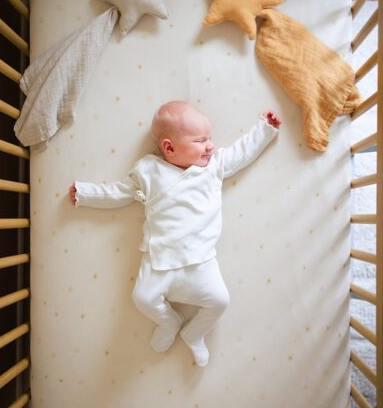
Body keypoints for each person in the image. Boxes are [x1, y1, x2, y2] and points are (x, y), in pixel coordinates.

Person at [69, 101, 281, 367]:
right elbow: (119, 192)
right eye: (201, 140)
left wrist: (265, 129)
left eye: (210, 139)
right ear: (169, 148)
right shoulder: (150, 172)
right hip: (160, 261)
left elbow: (241, 153)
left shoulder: (212, 167)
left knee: (220, 301)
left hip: (200, 261)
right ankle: (170, 322)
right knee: (142, 298)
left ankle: (194, 334)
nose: (210, 146)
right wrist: (87, 194)